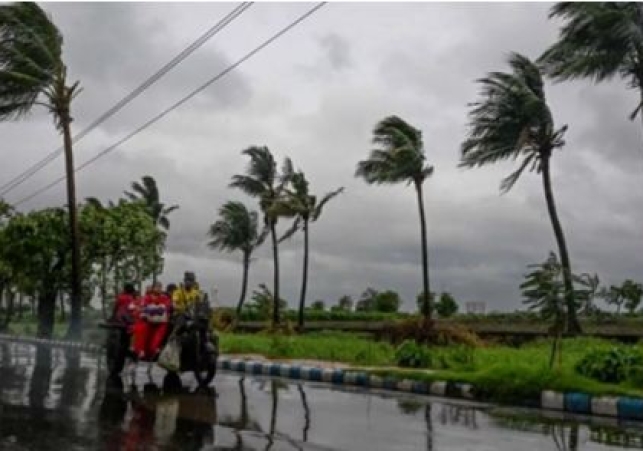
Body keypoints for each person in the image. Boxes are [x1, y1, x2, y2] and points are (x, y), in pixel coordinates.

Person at [132, 281, 172, 360]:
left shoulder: (164, 298)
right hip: (148, 321)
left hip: (160, 322)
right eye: (157, 287)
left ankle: (155, 350)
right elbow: (144, 308)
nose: (159, 289)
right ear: (153, 288)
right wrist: (155, 309)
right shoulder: (147, 298)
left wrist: (154, 309)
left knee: (158, 337)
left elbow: (166, 307)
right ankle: (141, 350)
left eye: (160, 287)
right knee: (142, 328)